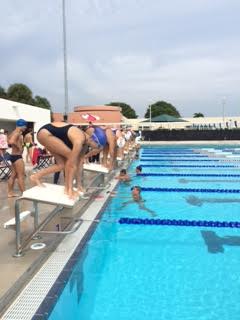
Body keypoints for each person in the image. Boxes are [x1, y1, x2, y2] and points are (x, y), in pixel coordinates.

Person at [30, 122, 98, 199]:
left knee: (61, 165)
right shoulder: (79, 140)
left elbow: (79, 162)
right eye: (96, 146)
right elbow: (72, 164)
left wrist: (79, 185)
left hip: (49, 134)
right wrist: (70, 189)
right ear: (92, 139)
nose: (95, 149)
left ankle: (35, 176)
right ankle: (68, 189)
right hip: (46, 134)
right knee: (70, 159)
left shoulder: (85, 142)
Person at [7, 119, 27, 197]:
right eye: (25, 126)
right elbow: (11, 141)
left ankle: (10, 193)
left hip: (12, 156)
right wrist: (19, 147)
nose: (25, 128)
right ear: (22, 125)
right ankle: (25, 193)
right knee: (20, 176)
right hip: (17, 157)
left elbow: (8, 140)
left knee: (13, 175)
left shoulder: (13, 132)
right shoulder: (17, 133)